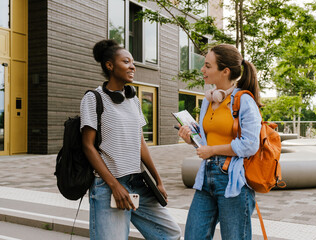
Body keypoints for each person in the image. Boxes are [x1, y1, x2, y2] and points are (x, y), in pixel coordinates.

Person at [81, 39, 181, 240]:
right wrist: (115, 186)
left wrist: (158, 180)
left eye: (133, 62)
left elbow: (140, 142)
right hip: (109, 185)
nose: (132, 66)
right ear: (110, 65)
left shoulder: (132, 99)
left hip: (137, 182)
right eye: (126, 61)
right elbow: (88, 146)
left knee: (170, 234)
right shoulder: (93, 98)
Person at [178, 44, 262, 240]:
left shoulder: (244, 101)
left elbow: (250, 145)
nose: (202, 70)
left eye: (208, 66)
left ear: (225, 71)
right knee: (193, 236)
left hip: (233, 180)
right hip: (206, 177)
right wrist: (192, 139)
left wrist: (212, 150)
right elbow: (206, 139)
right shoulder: (208, 100)